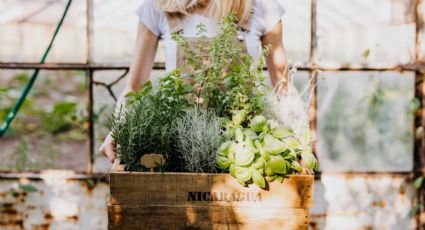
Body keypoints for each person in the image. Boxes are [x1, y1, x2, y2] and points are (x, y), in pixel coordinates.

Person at [100, 0, 288, 162]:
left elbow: (284, 89)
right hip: (181, 147)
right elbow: (134, 88)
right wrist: (119, 129)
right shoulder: (159, 7)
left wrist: (302, 129)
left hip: (244, 147)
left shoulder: (261, 7)